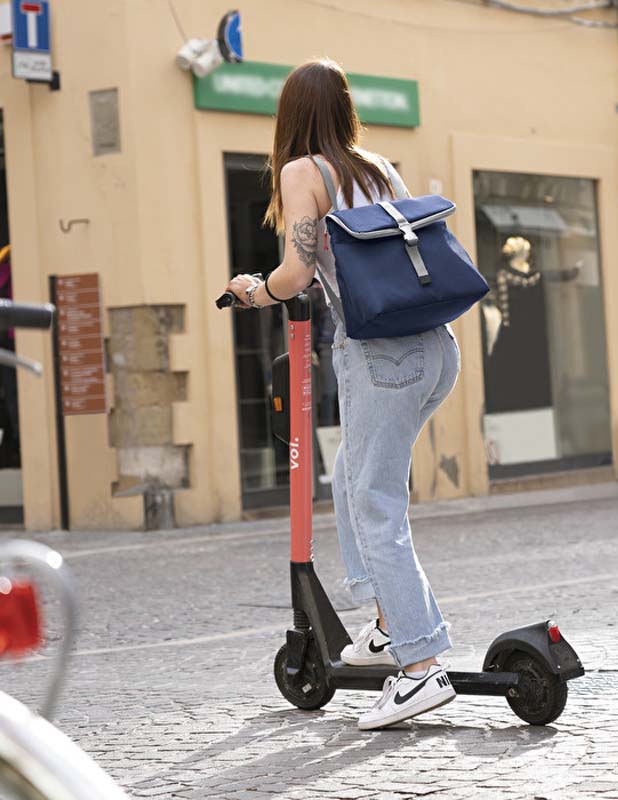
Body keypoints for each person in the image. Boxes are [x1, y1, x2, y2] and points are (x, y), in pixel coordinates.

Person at [224, 59, 460, 731]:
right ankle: (387, 623)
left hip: (382, 356)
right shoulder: (379, 166)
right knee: (351, 476)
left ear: (290, 115)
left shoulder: (303, 172)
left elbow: (298, 272)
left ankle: (419, 669)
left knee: (375, 505)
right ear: (345, 108)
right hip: (435, 348)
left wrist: (254, 290)